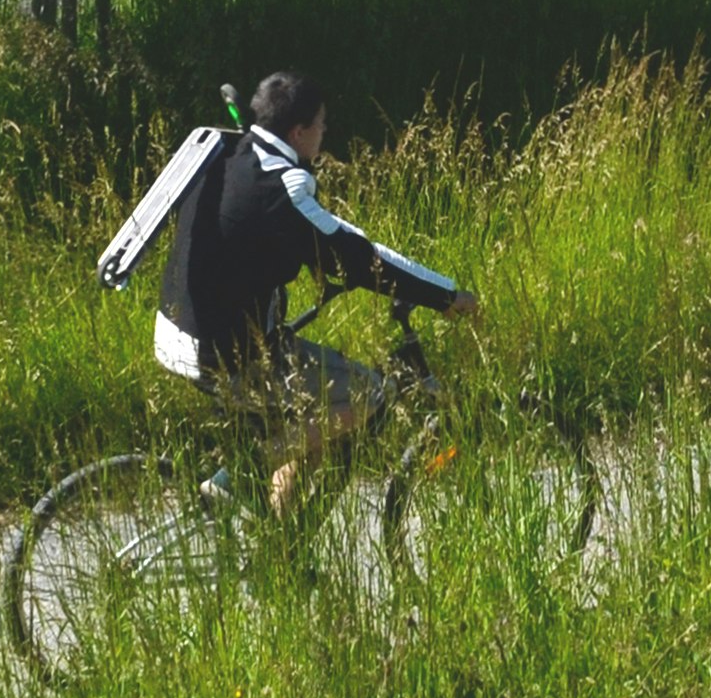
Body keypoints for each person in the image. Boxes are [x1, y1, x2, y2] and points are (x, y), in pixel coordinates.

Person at [151, 69, 476, 436]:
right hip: (226, 358)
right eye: (321, 124)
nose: (325, 131)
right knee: (370, 393)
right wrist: (445, 296)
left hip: (175, 336)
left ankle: (258, 480)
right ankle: (262, 467)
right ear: (298, 132)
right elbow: (360, 261)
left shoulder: (229, 156)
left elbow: (330, 233)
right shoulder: (282, 193)